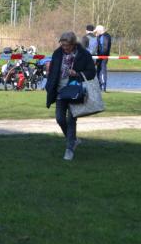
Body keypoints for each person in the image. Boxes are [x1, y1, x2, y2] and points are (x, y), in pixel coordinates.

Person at [45, 31, 97, 161]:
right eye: (62, 45)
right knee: (59, 119)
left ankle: (69, 150)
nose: (64, 48)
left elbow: (91, 72)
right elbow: (53, 72)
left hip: (75, 91)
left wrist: (77, 74)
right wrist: (49, 84)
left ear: (73, 44)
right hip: (60, 91)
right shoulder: (57, 53)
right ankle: (73, 140)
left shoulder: (84, 54)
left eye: (67, 45)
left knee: (72, 120)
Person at [95, 25, 111, 92]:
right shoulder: (100, 36)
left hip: (103, 57)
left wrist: (100, 55)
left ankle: (103, 86)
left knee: (102, 71)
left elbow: (105, 48)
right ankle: (99, 86)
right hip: (99, 56)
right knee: (98, 70)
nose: (96, 32)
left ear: (100, 30)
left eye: (97, 31)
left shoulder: (106, 36)